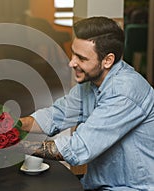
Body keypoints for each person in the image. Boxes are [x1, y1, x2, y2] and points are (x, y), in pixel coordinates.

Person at [20, 16, 154, 190]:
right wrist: (11, 124)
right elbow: (56, 116)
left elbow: (78, 148)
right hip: (98, 184)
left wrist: (14, 144)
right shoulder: (90, 83)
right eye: (73, 53)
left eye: (81, 58)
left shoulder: (125, 91)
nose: (71, 62)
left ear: (108, 60)